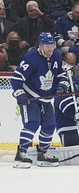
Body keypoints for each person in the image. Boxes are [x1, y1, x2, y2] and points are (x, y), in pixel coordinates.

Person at [10, 32, 69, 169]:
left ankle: (42, 154)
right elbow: (16, 78)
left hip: (47, 99)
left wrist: (62, 85)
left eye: (52, 45)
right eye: (47, 46)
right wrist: (20, 93)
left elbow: (60, 74)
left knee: (50, 125)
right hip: (31, 97)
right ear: (40, 45)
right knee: (32, 123)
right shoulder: (31, 57)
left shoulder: (56, 56)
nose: (50, 49)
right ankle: (21, 153)